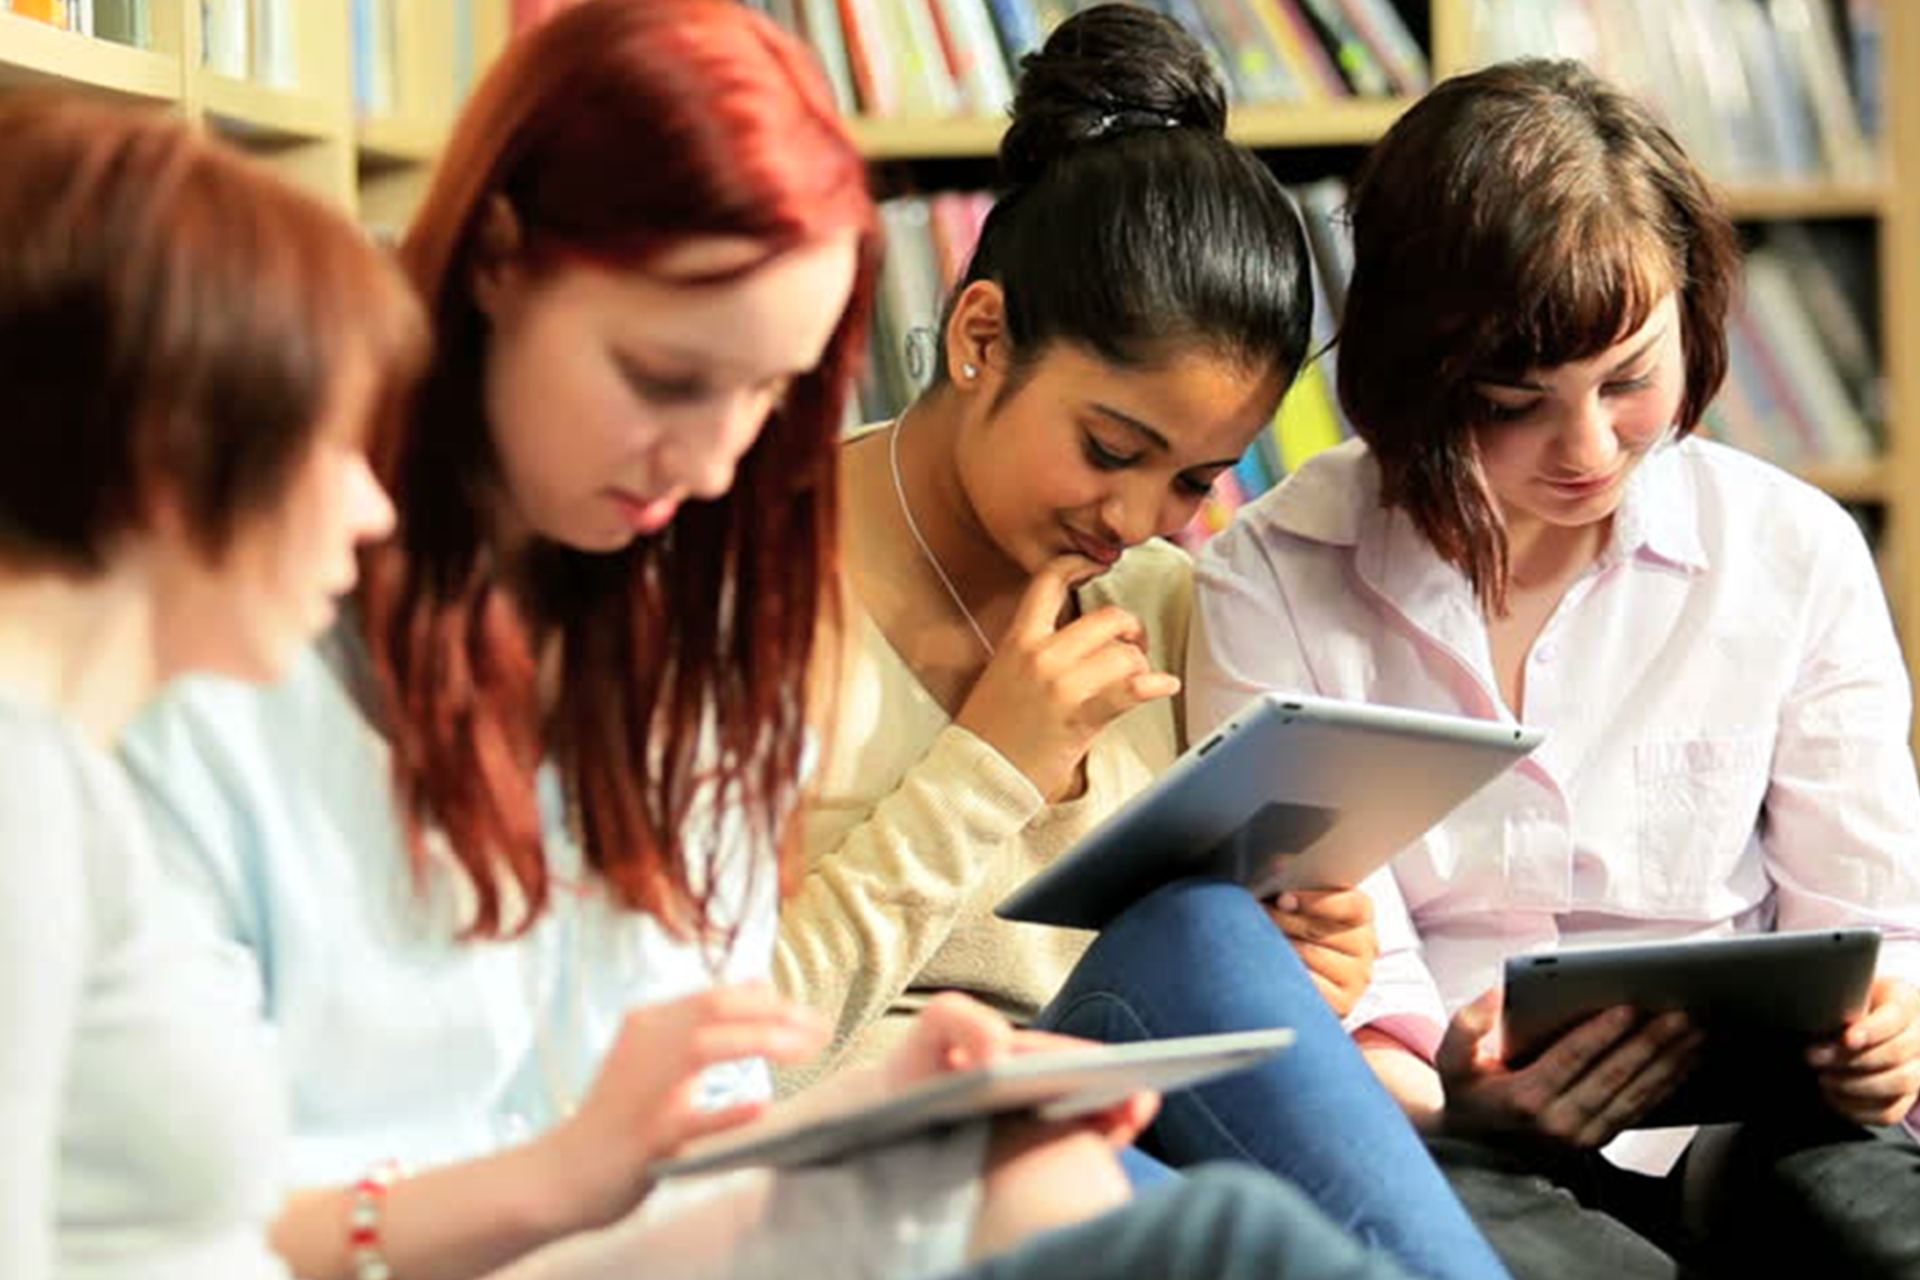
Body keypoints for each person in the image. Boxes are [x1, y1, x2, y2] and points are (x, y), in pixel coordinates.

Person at [119, 5, 1422, 1280]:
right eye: (669, 379)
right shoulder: (247, 656)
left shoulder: (672, 595)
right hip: (550, 1223)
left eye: (768, 398)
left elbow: (711, 1080)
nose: (714, 466)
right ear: (499, 260)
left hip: (680, 1200)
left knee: (1104, 1141)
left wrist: (904, 1100)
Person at [771, 8, 1509, 1280]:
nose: (1134, 519)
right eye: (1111, 448)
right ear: (980, 335)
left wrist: (1301, 970)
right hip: (856, 1138)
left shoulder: (1176, 600)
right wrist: (984, 770)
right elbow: (729, 1049)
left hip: (1105, 1104)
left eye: (1193, 480)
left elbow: (1172, 988)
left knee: (1208, 938)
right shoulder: (764, 591)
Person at [1188, 57, 1920, 1279]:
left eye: (1631, 380)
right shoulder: (1270, 578)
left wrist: (1890, 1033)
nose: (1588, 447)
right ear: (1419, 378)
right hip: (1449, 1131)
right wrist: (1447, 1093)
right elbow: (1338, 964)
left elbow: (1876, 920)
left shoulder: (1790, 550)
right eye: (1515, 401)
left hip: (1757, 1126)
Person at [0, 93, 422, 1279]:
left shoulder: (66, 773)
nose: (374, 509)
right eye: (336, 449)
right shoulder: (18, 788)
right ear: (177, 457)